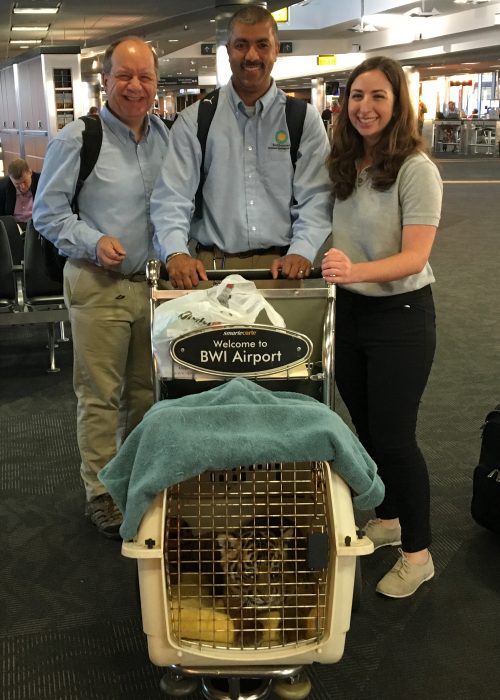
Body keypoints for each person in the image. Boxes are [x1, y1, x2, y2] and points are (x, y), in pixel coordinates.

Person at [33, 37, 170, 538]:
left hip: (149, 286)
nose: (135, 87)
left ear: (156, 83)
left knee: (143, 394)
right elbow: (48, 213)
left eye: (145, 77)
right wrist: (92, 242)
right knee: (99, 396)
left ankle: (132, 480)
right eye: (124, 76)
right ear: (105, 80)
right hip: (98, 282)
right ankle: (99, 492)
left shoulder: (166, 137)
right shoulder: (77, 138)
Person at [321, 56, 443, 598]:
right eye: (356, 96)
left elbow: (415, 256)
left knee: (395, 438)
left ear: (399, 106)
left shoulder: (416, 169)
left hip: (402, 315)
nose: (365, 108)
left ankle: (418, 554)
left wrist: (353, 270)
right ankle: (389, 519)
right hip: (350, 315)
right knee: (366, 429)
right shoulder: (345, 163)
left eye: (378, 97)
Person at [151, 5, 332, 290]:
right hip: (213, 272)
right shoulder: (196, 120)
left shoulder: (301, 119)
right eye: (241, 45)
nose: (251, 56)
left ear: (276, 51)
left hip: (283, 269)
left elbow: (316, 197)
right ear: (227, 51)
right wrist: (175, 252)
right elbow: (172, 198)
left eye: (262, 45)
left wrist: (303, 249)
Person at [0, 158, 40, 227]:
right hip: (14, 226)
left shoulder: (41, 182)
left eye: (25, 181)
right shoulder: (3, 186)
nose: (22, 187)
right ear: (10, 179)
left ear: (30, 173)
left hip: (36, 225)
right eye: (17, 184)